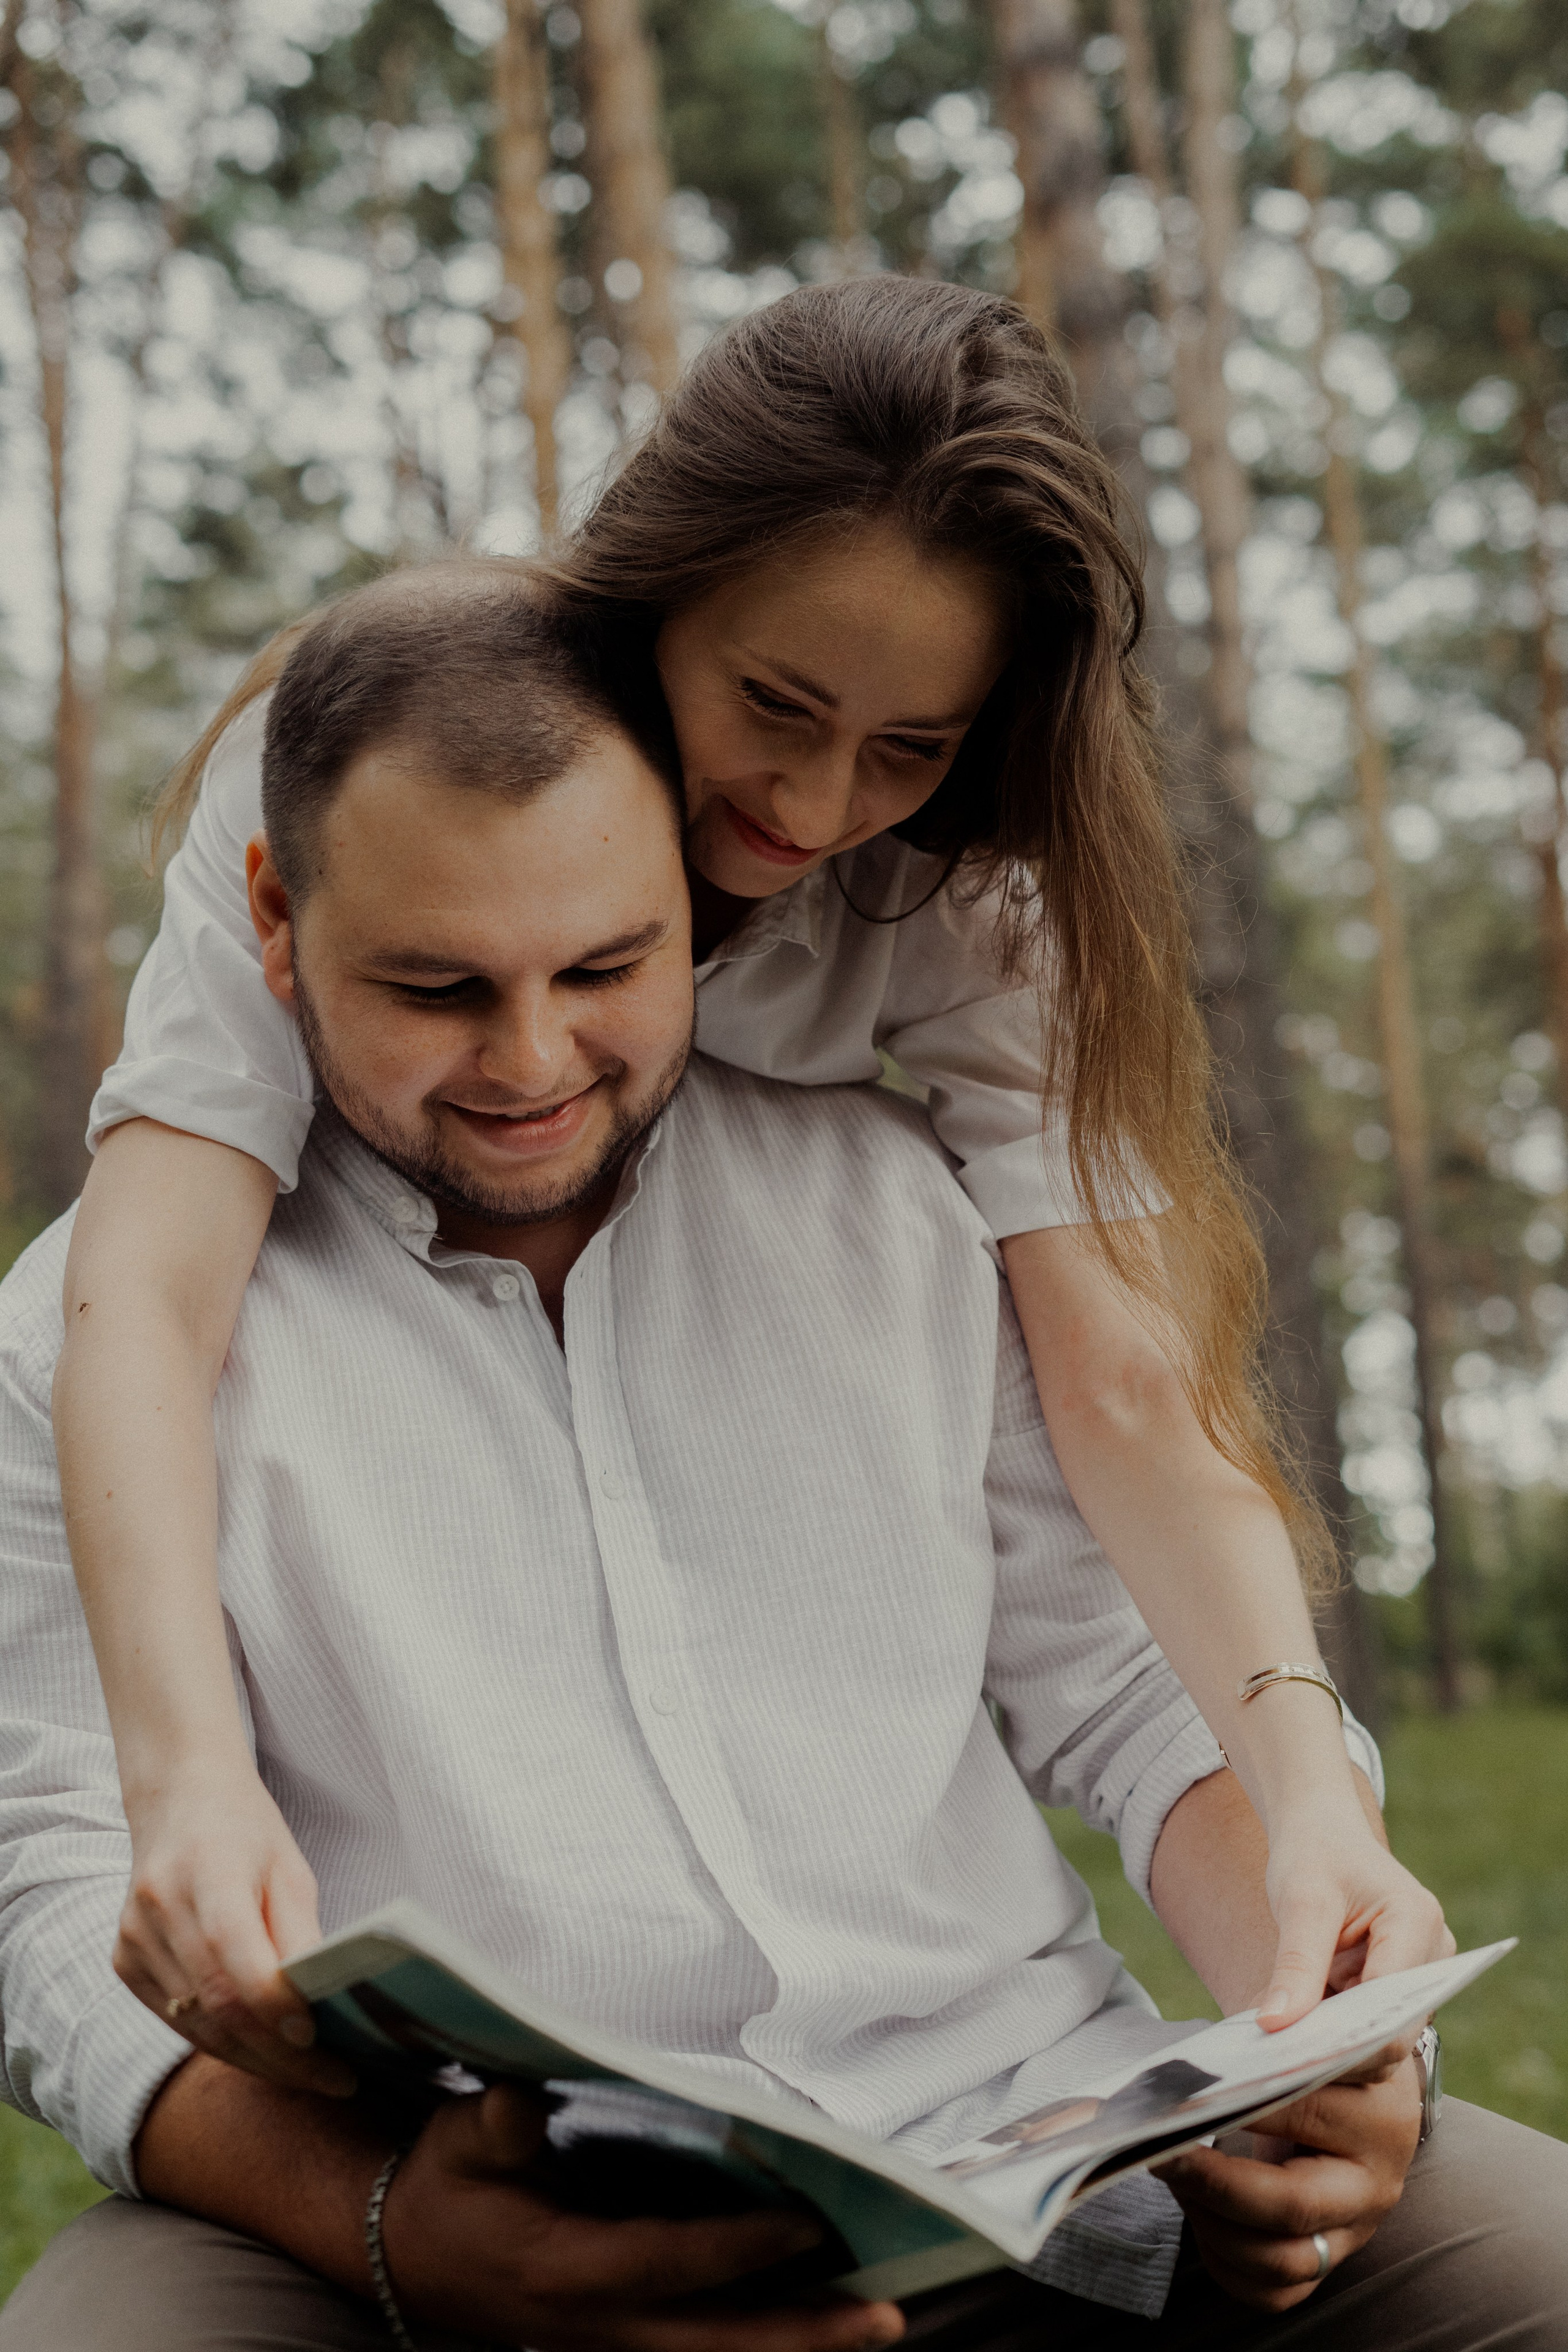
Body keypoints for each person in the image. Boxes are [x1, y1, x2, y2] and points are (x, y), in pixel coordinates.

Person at [2, 570, 1563, 2352]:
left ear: (700, 900)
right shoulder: (90, 1332)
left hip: (1032, 2147)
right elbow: (45, 1875)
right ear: (273, 922)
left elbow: (1142, 1697)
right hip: (435, 2211)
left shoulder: (897, 1214)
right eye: (435, 986)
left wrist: (1313, 2022)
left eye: (606, 967)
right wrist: (380, 2218)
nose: (530, 1063)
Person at [53, 277, 1446, 2099]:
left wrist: (1307, 1792)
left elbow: (1127, 1386)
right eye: (775, 704)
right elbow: (144, 1287)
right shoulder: (383, 768)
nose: (813, 802)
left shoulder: (965, 898)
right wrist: (186, 1771)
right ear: (657, 591)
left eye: (909, 746)